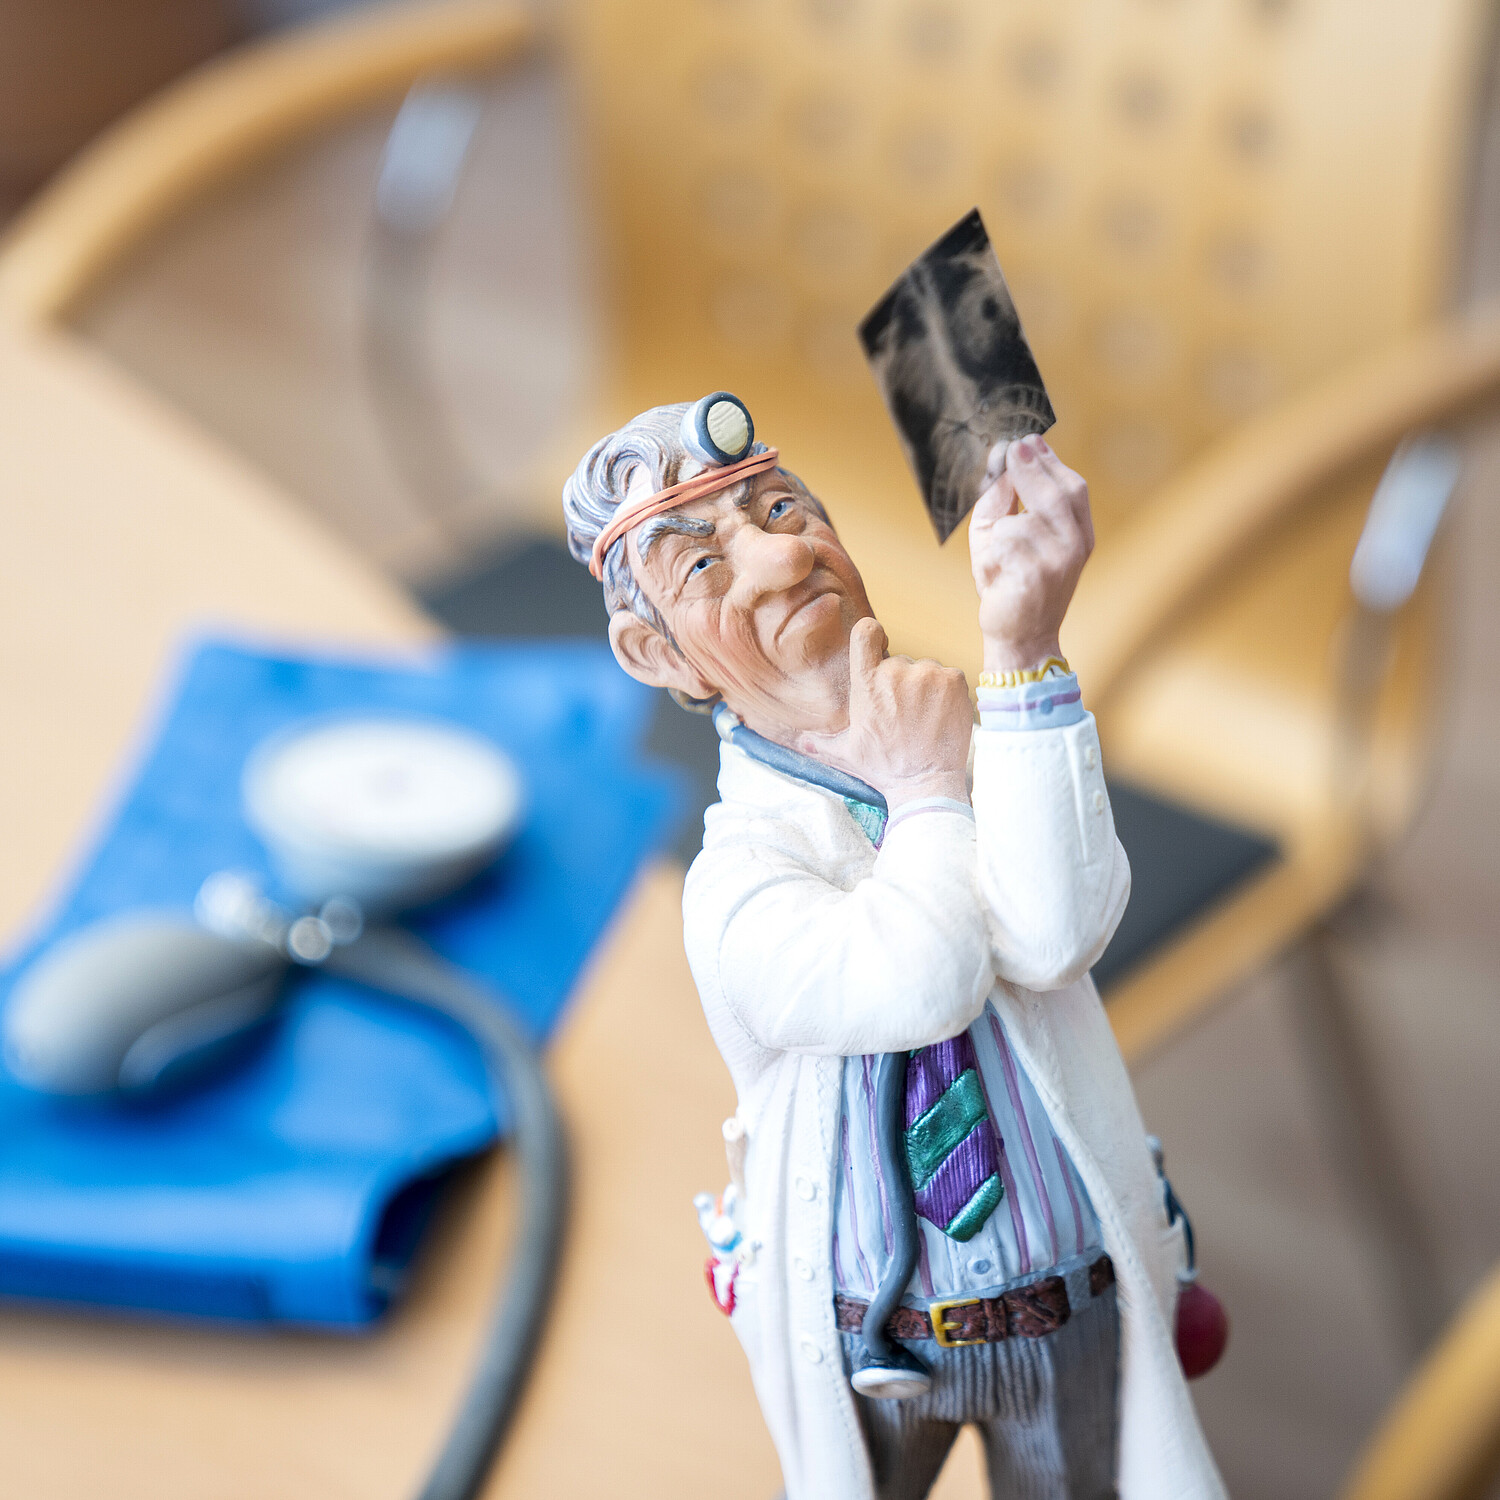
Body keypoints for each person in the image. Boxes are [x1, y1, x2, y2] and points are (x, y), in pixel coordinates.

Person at [562, 396, 1226, 1500]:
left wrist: (1023, 648)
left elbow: (1057, 934)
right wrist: (923, 793)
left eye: (785, 510)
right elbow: (921, 981)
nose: (783, 557)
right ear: (655, 653)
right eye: (706, 568)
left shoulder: (966, 740)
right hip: (870, 1344)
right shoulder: (738, 879)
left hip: (1068, 1307)